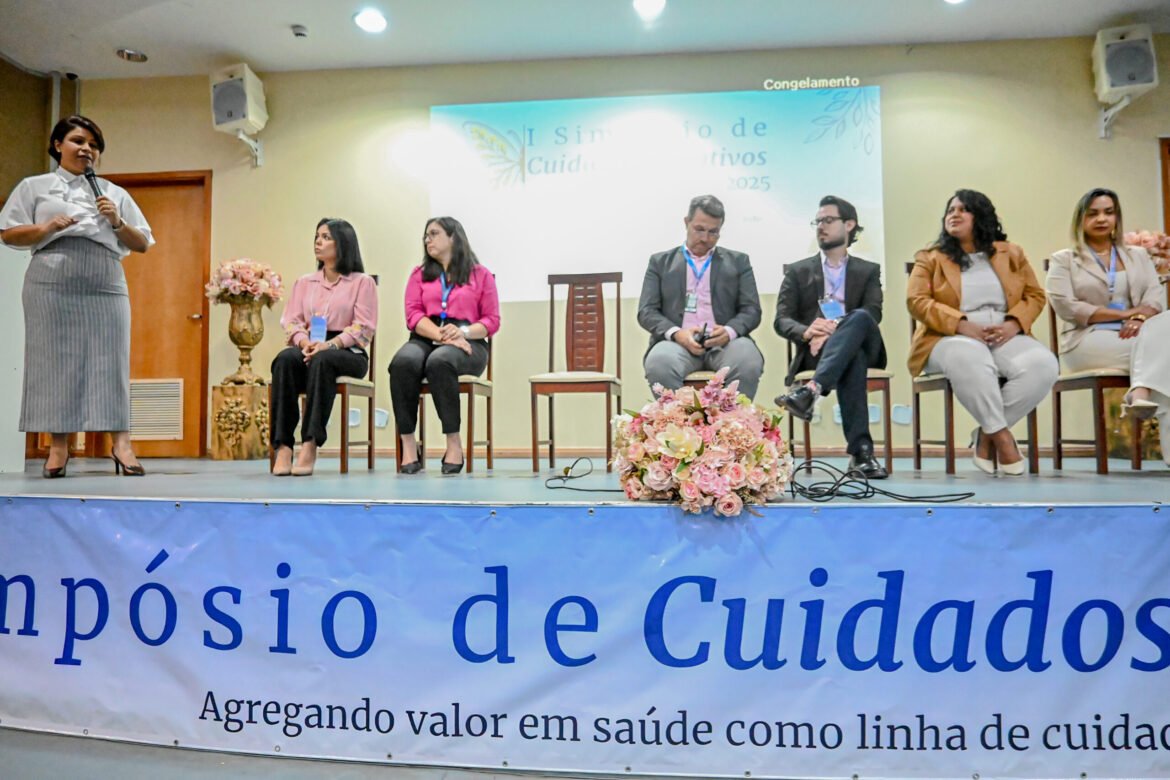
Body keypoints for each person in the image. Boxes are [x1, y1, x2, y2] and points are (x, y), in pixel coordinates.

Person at [0, 115, 154, 478]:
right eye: (78, 141)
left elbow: (143, 243)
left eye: (94, 145)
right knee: (55, 362)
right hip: (51, 279)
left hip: (104, 280)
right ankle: (59, 447)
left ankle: (121, 444)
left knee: (111, 360)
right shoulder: (34, 186)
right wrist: (45, 227)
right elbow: (7, 233)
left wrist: (117, 222)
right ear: (58, 145)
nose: (87, 149)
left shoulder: (113, 192)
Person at [907, 189, 1057, 476]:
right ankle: (1002, 438)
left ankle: (985, 436)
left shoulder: (1011, 253)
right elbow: (916, 301)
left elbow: (1035, 295)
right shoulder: (930, 258)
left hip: (1004, 332)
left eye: (964, 209)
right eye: (951, 210)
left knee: (1043, 365)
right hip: (947, 336)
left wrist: (1014, 324)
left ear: (982, 215)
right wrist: (961, 324)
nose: (955, 214)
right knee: (971, 355)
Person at [1046, 187, 1170, 465]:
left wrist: (1139, 319)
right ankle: (1141, 393)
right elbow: (1067, 306)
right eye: (1093, 213)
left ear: (1117, 217)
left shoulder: (1138, 255)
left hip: (1138, 334)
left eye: (1108, 212)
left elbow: (1154, 297)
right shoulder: (1064, 260)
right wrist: (1125, 314)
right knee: (1164, 356)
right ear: (1080, 219)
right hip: (1087, 339)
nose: (1102, 219)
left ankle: (1140, 392)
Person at [774, 196, 888, 479]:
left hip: (864, 344)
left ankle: (810, 391)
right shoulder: (798, 271)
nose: (820, 227)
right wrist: (807, 331)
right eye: (817, 221)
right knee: (852, 357)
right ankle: (862, 454)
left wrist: (834, 328)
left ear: (849, 224)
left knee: (859, 317)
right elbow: (782, 319)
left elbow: (873, 312)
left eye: (827, 220)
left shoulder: (868, 270)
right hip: (820, 352)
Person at [390, 217, 499, 475]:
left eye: (434, 234)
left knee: (440, 361)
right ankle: (409, 444)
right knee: (402, 363)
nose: (427, 239)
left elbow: (491, 320)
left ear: (453, 237)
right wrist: (441, 335)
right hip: (427, 336)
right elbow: (413, 315)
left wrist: (462, 332)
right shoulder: (419, 275)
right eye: (425, 235)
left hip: (468, 343)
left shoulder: (480, 274)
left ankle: (453, 442)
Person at [270, 218, 378, 476]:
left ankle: (310, 443)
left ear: (343, 243)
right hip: (309, 343)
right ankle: (283, 446)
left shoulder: (362, 282)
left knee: (323, 360)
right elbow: (292, 320)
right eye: (317, 236)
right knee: (285, 360)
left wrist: (330, 344)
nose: (318, 242)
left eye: (326, 237)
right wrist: (304, 341)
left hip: (347, 351)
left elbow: (363, 326)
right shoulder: (304, 282)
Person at [637, 194, 764, 399]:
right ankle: (676, 419)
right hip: (676, 344)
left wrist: (729, 331)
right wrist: (677, 334)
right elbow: (647, 311)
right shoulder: (660, 263)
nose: (705, 238)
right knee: (659, 363)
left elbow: (752, 310)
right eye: (699, 229)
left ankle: (734, 419)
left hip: (726, 344)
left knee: (748, 361)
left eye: (713, 232)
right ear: (686, 223)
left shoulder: (738, 262)